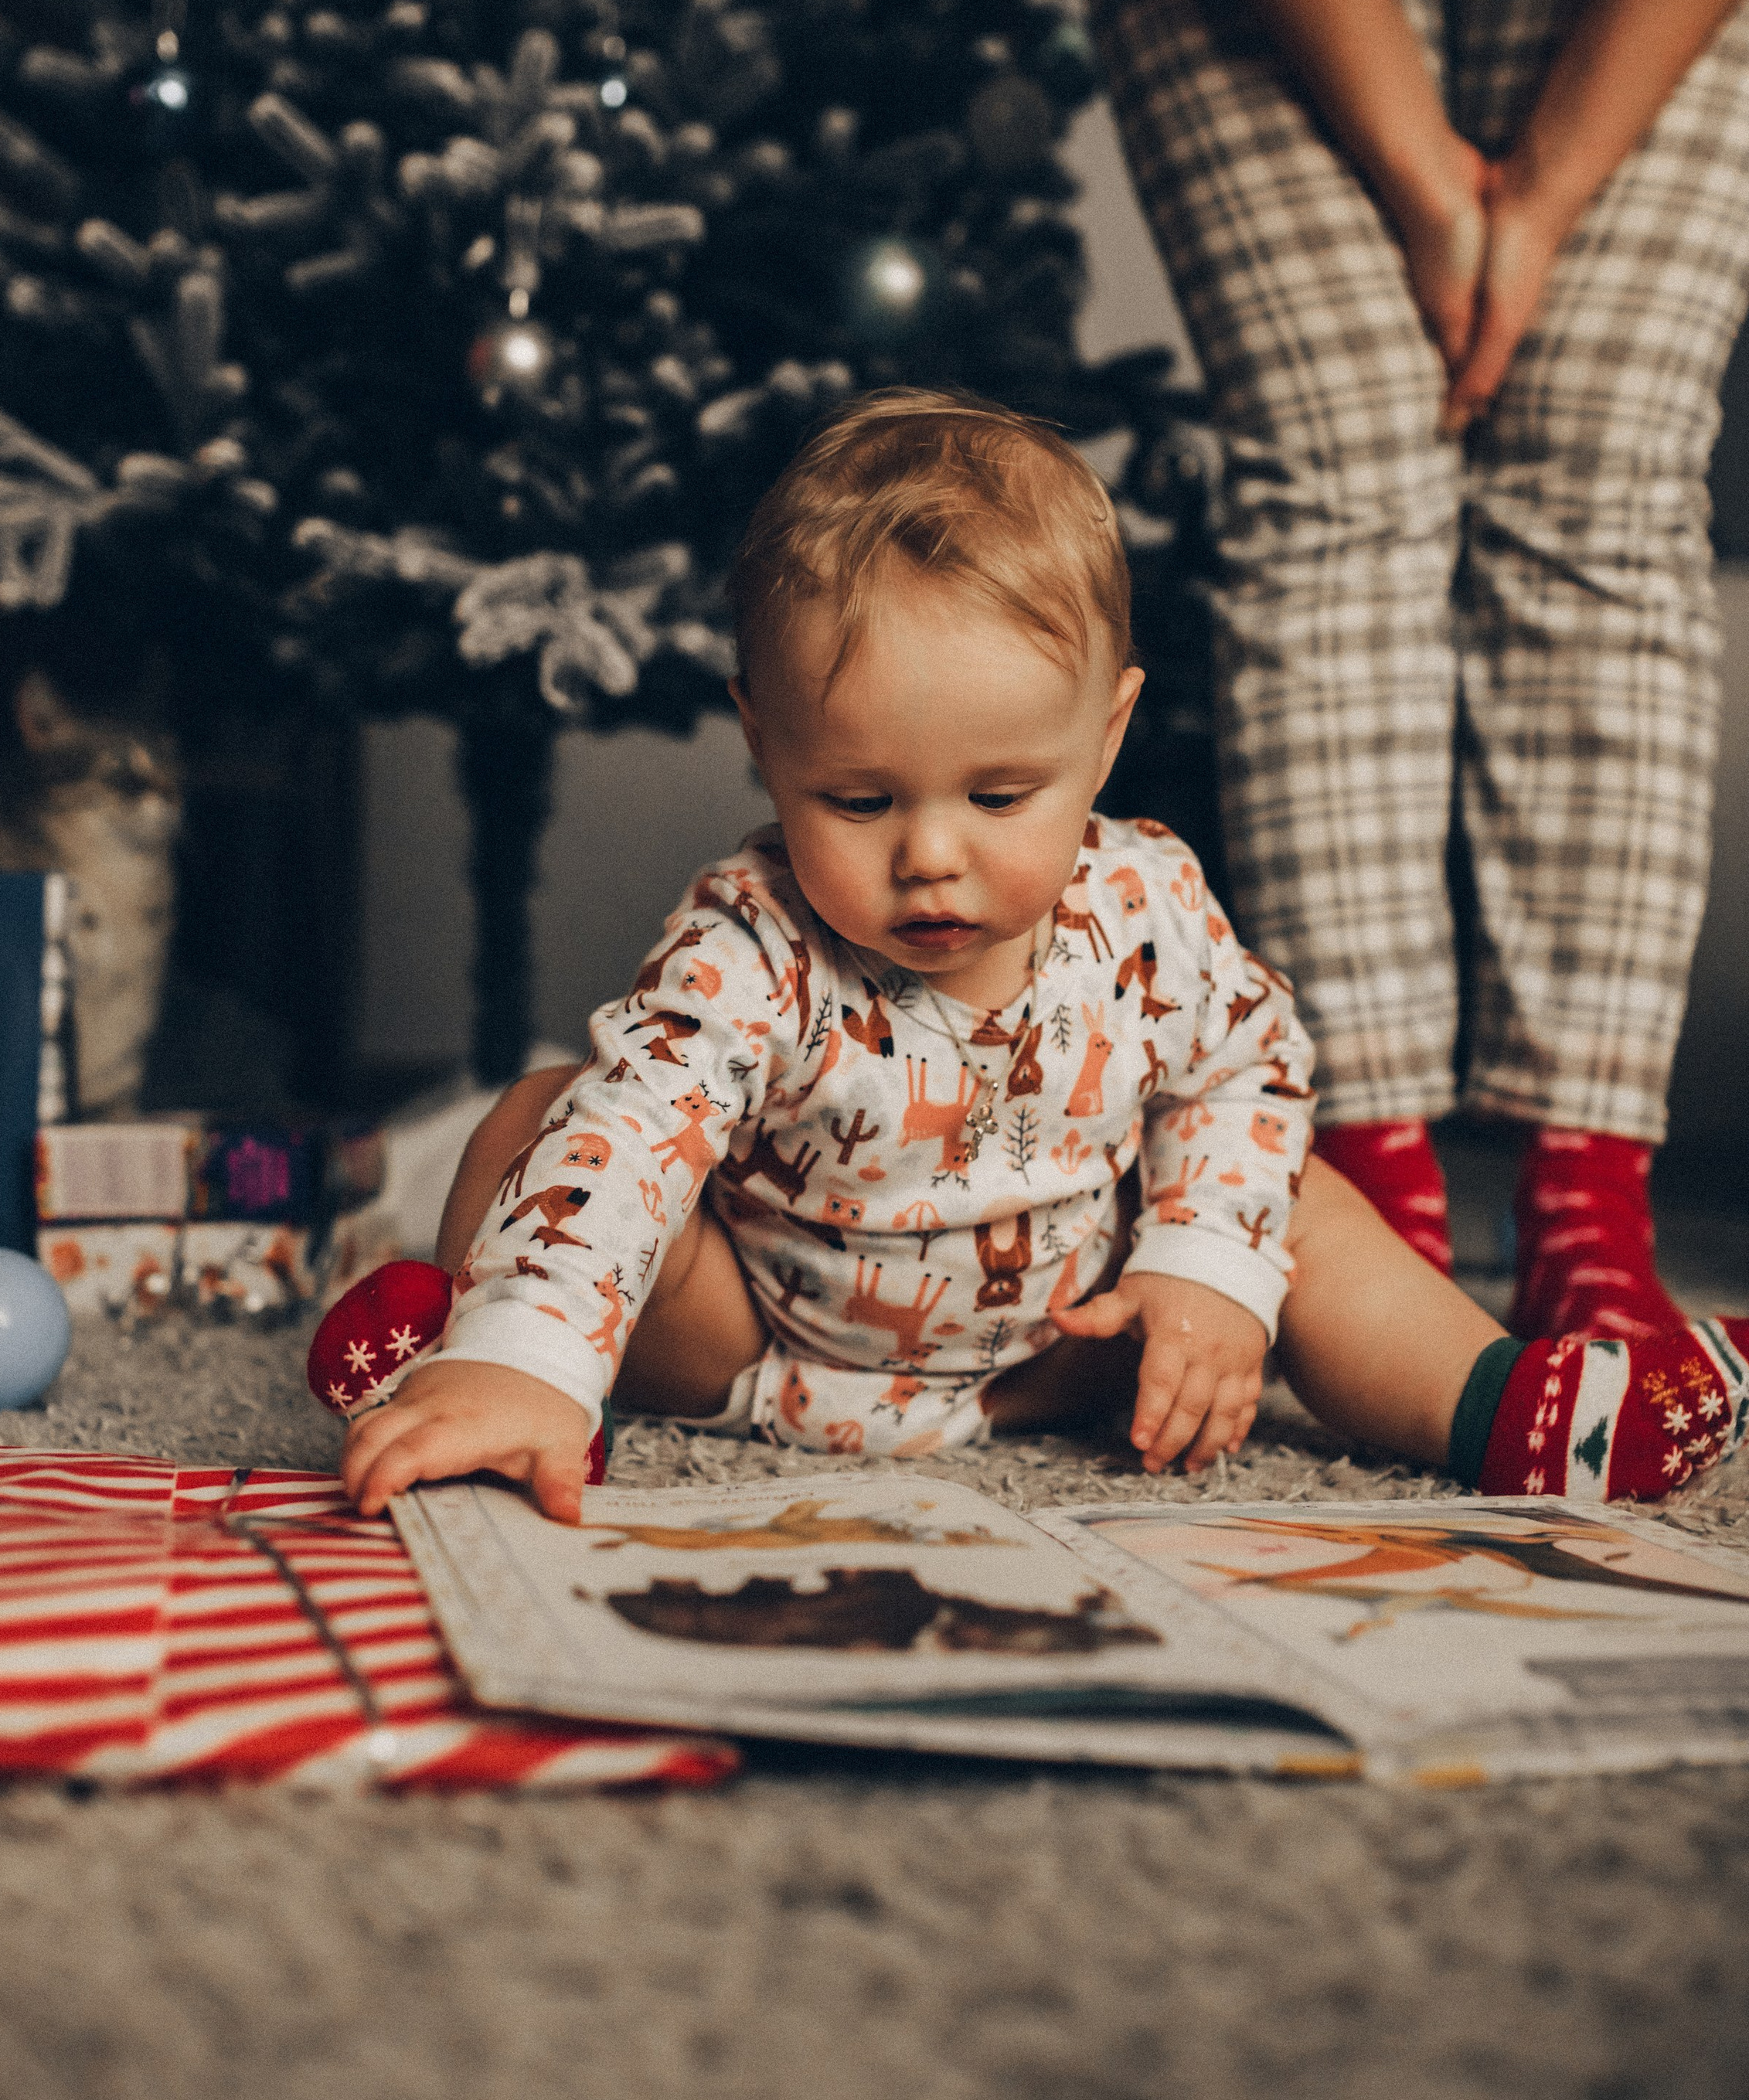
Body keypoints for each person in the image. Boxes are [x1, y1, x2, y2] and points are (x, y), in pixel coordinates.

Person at [337, 390, 1747, 1526]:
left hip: (1081, 1350)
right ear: (764, 741)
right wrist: (535, 1361)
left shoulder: (1144, 904)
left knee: (1295, 1204)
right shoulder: (750, 945)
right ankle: (494, 1356)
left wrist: (1203, 1267)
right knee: (554, 1117)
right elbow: (639, 1135)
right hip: (758, 1348)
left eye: (1001, 795)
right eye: (859, 800)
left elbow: (1248, 1070)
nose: (931, 855)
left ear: (1107, 735)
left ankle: (1506, 1408)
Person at [1071, 0, 1749, 1340]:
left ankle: (1588, 1200)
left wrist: (1544, 196)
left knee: (1601, 449)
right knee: (1340, 451)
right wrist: (1427, 186)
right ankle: (1360, 1201)